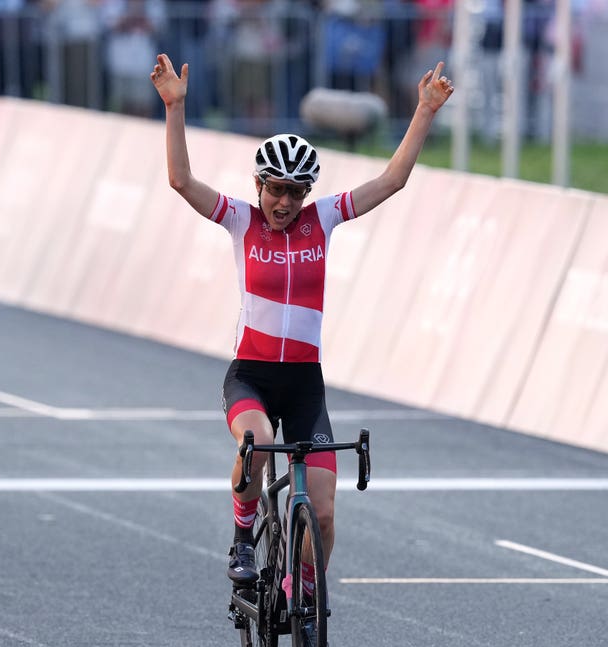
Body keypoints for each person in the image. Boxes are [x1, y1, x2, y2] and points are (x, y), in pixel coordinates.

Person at [150, 52, 453, 587]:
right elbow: (180, 180)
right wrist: (175, 106)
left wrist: (424, 111)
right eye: (275, 189)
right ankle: (243, 538)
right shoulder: (240, 220)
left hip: (305, 385)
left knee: (326, 515)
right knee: (257, 442)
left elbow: (393, 180)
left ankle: (303, 596)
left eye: (295, 192)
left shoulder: (325, 219)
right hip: (252, 376)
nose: (284, 202)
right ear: (259, 186)